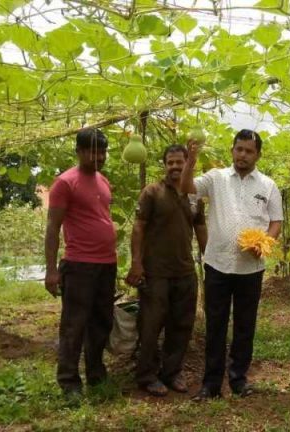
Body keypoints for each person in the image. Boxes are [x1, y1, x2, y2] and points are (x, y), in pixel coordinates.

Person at [181, 129, 283, 400]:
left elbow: (275, 222)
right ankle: (211, 384)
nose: (243, 155)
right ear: (232, 150)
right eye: (239, 149)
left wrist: (265, 243)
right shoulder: (216, 179)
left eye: (249, 151)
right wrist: (190, 162)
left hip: (251, 268)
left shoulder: (268, 185)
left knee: (244, 324)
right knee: (216, 324)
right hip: (217, 264)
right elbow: (187, 188)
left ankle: (238, 378)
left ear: (258, 154)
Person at [125, 144, 207, 397]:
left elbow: (201, 230)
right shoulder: (151, 192)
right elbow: (138, 227)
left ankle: (172, 373)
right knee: (151, 325)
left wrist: (210, 259)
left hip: (185, 272)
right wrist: (137, 263)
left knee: (181, 325)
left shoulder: (193, 196)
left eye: (179, 162)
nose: (174, 167)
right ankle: (147, 375)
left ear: (187, 164)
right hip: (155, 273)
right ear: (164, 165)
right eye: (170, 163)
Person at [44, 128, 117, 400]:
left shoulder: (104, 181)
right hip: (78, 264)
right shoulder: (65, 182)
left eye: (102, 151)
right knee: (74, 324)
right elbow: (52, 227)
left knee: (101, 322)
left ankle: (96, 374)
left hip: (106, 263)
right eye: (92, 151)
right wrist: (51, 270)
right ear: (78, 151)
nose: (98, 156)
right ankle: (69, 382)